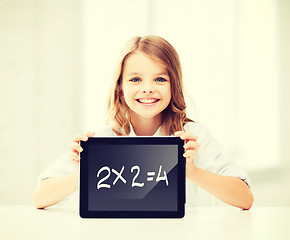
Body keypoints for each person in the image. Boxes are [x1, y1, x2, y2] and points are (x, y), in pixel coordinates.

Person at [32, 35, 254, 210]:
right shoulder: (101, 140)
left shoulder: (192, 137)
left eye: (160, 79)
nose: (147, 88)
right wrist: (86, 172)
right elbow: (40, 197)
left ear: (173, 85)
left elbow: (245, 198)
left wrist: (192, 172)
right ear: (120, 87)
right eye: (135, 79)